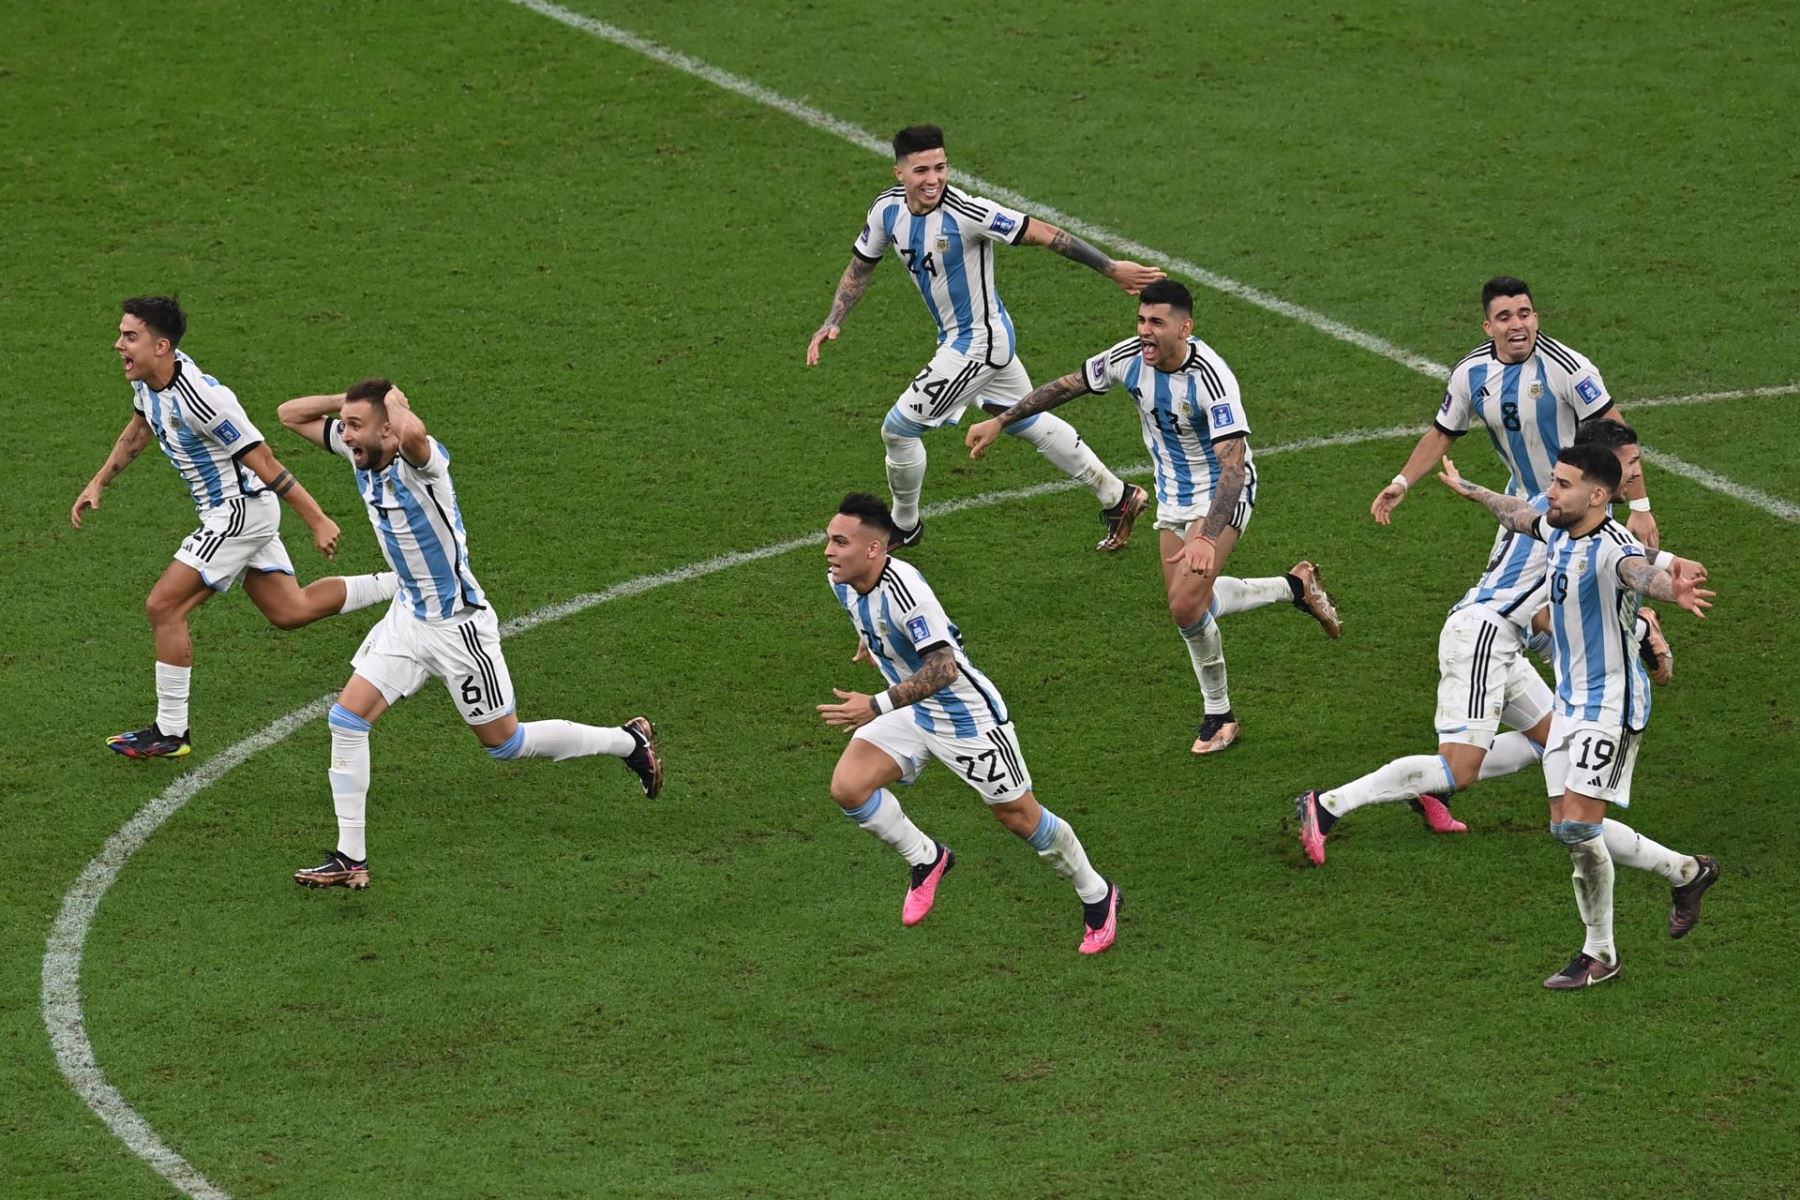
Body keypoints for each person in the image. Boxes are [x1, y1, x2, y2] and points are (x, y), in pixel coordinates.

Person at [275, 381, 663, 889]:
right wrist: (349, 407)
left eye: (354, 426)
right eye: (343, 428)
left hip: (460, 629)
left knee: (507, 744)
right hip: (409, 619)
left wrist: (391, 400)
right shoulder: (360, 452)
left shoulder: (424, 466)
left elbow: (414, 432)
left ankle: (625, 742)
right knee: (347, 721)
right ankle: (352, 858)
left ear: (387, 427)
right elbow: (289, 415)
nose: (345, 436)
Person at [966, 280, 1341, 755]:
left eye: (1156, 323)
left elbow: (1233, 464)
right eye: (1141, 320)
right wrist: (1001, 420)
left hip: (1221, 492)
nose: (1145, 331)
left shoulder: (1211, 378)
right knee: (1191, 607)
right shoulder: (1128, 358)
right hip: (1173, 494)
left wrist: (1207, 536)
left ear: (1185, 328)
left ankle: (1219, 716)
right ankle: (1295, 587)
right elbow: (1068, 386)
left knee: (1186, 605)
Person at [1296, 421, 1689, 864]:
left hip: (1502, 636)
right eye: (1630, 464)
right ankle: (1328, 806)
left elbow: (1561, 587)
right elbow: (1565, 607)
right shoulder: (1570, 520)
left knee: (1551, 737)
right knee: (1458, 767)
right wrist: (1645, 622)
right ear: (1600, 472)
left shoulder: (1564, 512)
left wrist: (1475, 490)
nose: (1636, 473)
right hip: (1487, 633)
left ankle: (1430, 791)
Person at [1435, 445, 1718, 990]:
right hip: (1570, 699)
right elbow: (1516, 513)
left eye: (1563, 484)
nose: (1551, 491)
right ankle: (1687, 872)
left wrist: (1669, 589)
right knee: (1567, 828)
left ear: (1597, 495)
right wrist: (1468, 487)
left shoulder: (1612, 548)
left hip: (1609, 706)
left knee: (1579, 826)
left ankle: (1600, 954)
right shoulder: (1559, 526)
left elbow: (1638, 572)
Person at [805, 124, 1164, 552]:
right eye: (922, 169)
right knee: (1025, 419)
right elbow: (862, 264)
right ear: (899, 172)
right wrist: (833, 318)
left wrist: (1110, 268)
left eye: (940, 166)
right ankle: (1118, 496)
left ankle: (905, 525)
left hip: (977, 345)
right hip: (970, 337)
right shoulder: (886, 210)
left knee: (898, 430)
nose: (934, 178)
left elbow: (1044, 233)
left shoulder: (967, 212)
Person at [70, 296, 395, 759]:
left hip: (239, 511)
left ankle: (171, 731)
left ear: (161, 346)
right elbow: (141, 427)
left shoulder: (205, 400)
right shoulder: (147, 382)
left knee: (164, 605)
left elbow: (264, 461)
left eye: (129, 337)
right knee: (290, 610)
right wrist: (100, 479)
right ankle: (403, 585)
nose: (118, 344)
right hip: (230, 512)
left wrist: (317, 518)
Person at [816, 492, 1119, 954]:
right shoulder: (843, 582)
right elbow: (873, 623)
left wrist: (875, 705)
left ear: (874, 549)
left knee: (1019, 817)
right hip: (913, 711)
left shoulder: (906, 590)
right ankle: (927, 858)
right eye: (829, 541)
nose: (829, 551)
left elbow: (945, 669)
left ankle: (1098, 895)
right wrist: (871, 643)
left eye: (840, 542)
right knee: (849, 787)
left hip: (964, 719)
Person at [1370, 276, 1660, 550]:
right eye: (1504, 317)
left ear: (1536, 318)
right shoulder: (1471, 373)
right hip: (1521, 501)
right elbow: (1442, 434)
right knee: (1501, 594)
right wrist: (1401, 482)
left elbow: (1620, 440)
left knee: (1572, 597)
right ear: (1488, 327)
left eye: (1524, 314)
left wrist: (1640, 507)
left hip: (1580, 505)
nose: (1517, 324)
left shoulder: (1568, 368)